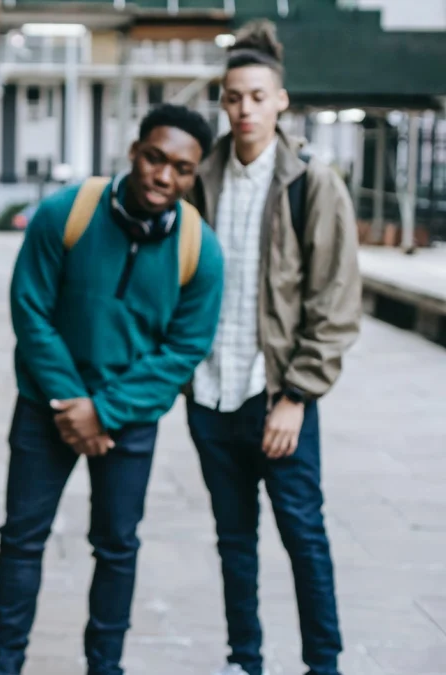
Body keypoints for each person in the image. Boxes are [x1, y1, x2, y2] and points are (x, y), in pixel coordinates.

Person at [0, 104, 224, 675]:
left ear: (194, 177)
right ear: (134, 151)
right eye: (156, 158)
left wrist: (105, 411)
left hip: (128, 419)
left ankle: (105, 665)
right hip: (46, 408)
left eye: (181, 169)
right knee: (22, 538)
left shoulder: (200, 250)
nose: (164, 176)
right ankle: (2, 664)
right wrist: (72, 402)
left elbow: (184, 350)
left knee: (117, 546)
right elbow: (30, 311)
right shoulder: (67, 212)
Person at [185, 20, 362, 675]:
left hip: (276, 398)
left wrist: (296, 395)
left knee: (303, 536)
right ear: (223, 101)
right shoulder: (202, 177)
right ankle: (245, 659)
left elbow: (335, 301)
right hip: (210, 394)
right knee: (235, 540)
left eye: (258, 96)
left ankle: (324, 664)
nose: (245, 109)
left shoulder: (311, 183)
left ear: (280, 100)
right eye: (234, 97)